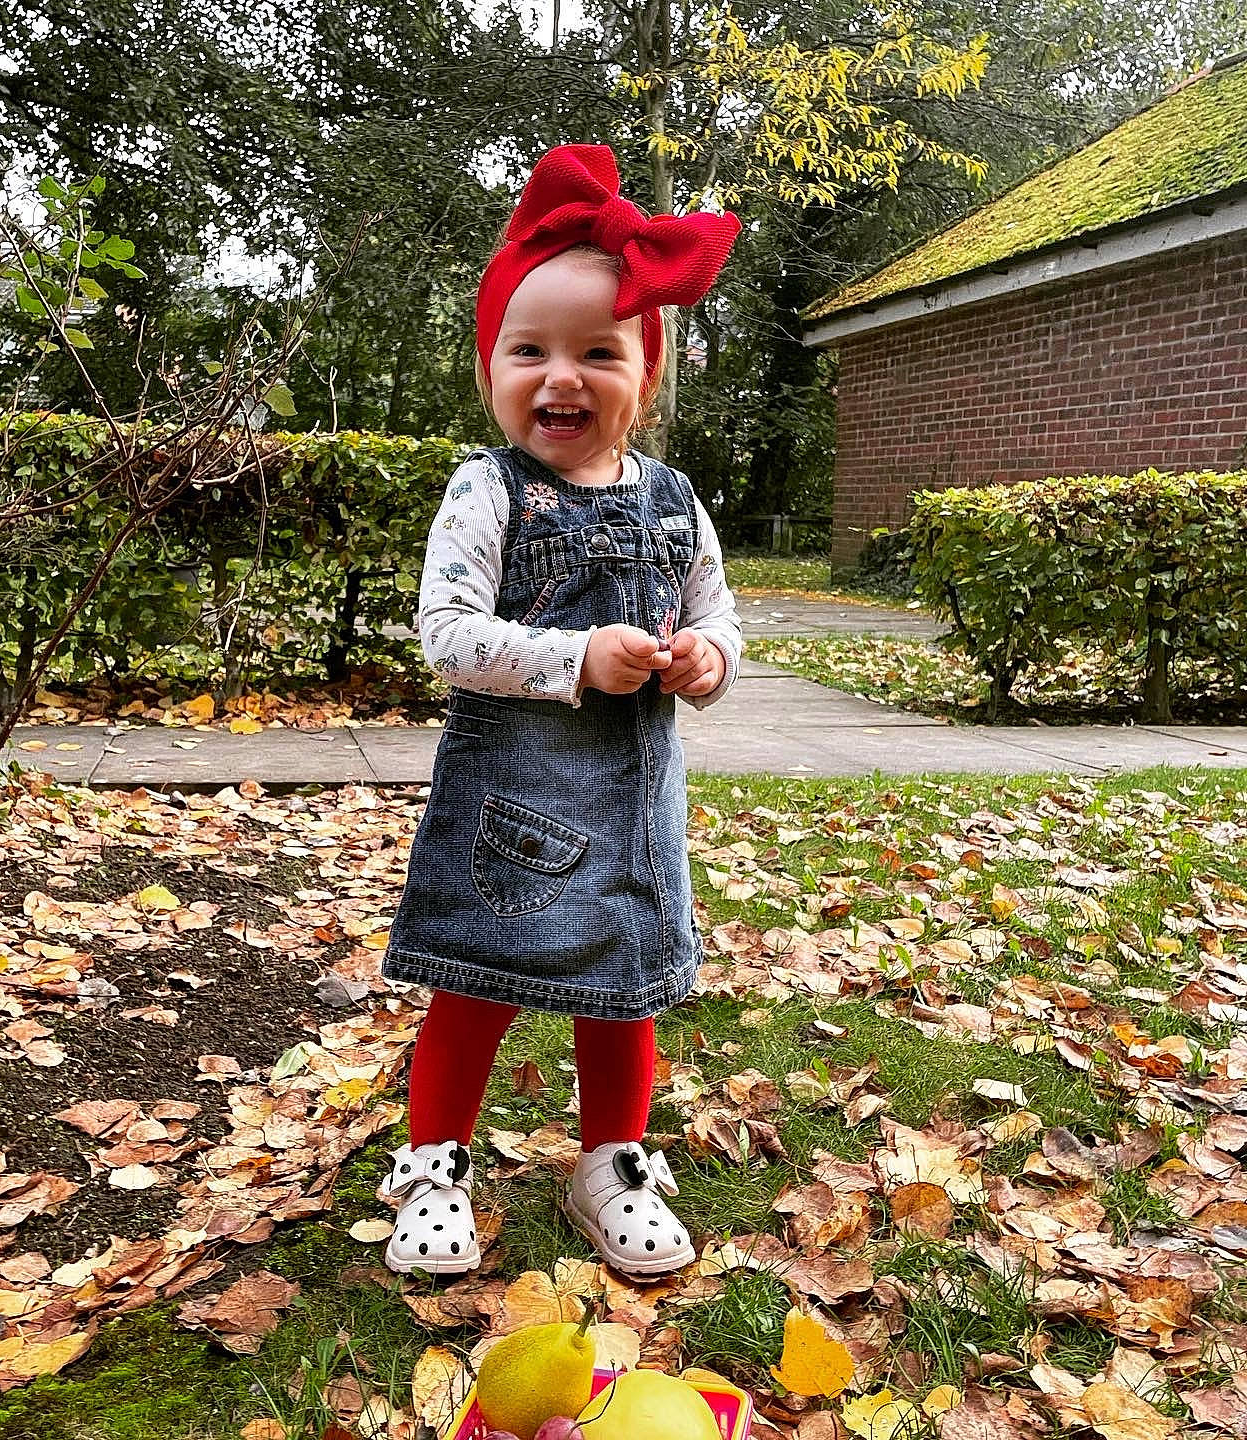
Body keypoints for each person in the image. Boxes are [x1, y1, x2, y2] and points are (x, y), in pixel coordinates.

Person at [379, 144, 743, 1281]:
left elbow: (721, 616)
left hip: (633, 805)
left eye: (599, 351)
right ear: (491, 363)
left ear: (647, 371)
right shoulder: (485, 492)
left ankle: (613, 1161)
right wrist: (573, 653)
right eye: (528, 350)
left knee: (622, 985)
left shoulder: (677, 503)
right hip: (512, 804)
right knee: (477, 978)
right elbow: (447, 633)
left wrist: (707, 662)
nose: (561, 377)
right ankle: (434, 1159)